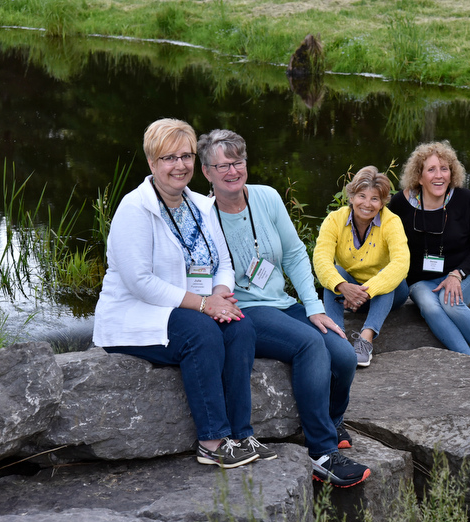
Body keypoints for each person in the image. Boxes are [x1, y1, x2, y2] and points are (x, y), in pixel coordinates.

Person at [93, 118, 277, 470]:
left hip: (190, 308)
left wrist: (221, 296)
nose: (179, 166)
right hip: (137, 313)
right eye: (168, 158)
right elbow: (140, 282)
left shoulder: (199, 205)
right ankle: (212, 441)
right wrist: (205, 305)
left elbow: (222, 261)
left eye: (186, 156)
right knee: (202, 332)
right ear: (151, 162)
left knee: (240, 325)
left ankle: (241, 434)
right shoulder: (135, 209)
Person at [198, 128, 371, 488]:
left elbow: (293, 254)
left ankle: (332, 418)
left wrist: (313, 307)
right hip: (243, 311)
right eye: (222, 165)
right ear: (206, 172)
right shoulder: (202, 213)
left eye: (238, 161)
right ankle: (323, 454)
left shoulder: (267, 197)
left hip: (282, 302)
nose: (232, 171)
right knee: (309, 345)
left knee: (342, 354)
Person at [389, 140, 470, 362]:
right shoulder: (401, 204)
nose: (438, 175)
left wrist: (457, 274)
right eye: (431, 169)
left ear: (452, 174)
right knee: (430, 307)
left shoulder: (464, 200)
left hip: (459, 272)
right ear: (419, 177)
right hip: (420, 280)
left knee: (449, 302)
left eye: (444, 169)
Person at [313, 166, 410, 367]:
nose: (367, 204)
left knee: (388, 276)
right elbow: (321, 259)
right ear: (351, 196)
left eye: (374, 198)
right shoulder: (335, 219)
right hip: (349, 292)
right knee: (335, 274)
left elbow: (401, 263)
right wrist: (343, 286)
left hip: (389, 294)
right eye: (361, 196)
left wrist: (366, 291)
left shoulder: (392, 222)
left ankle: (365, 340)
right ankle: (337, 338)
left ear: (383, 202)